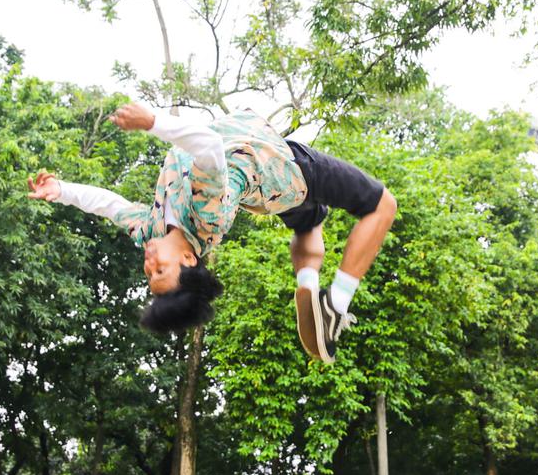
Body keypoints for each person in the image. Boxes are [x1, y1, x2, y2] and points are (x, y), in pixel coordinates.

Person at [27, 102, 396, 362]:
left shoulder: (149, 229)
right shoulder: (207, 215)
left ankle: (307, 282)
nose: (150, 263)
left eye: (149, 274)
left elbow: (107, 205)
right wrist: (153, 121)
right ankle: (336, 305)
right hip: (287, 167)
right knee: (382, 206)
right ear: (189, 258)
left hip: (274, 194)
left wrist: (61, 192)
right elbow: (208, 147)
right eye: (161, 270)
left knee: (310, 222)